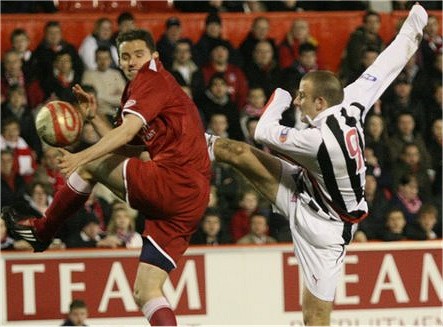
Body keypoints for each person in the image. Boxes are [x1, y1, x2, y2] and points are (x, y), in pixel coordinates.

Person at [205, 5, 428, 325]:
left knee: (315, 319)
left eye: (302, 96)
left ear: (320, 102)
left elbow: (263, 131)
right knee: (234, 152)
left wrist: (280, 97)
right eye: (296, 96)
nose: (298, 101)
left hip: (326, 230)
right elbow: (389, 62)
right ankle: (168, 143)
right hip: (305, 187)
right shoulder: (351, 100)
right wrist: (415, 21)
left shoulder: (318, 141)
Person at [3, 28, 211, 326]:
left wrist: (81, 158)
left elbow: (124, 134)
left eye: (138, 54)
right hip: (190, 199)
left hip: (175, 180)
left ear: (154, 56)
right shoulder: (143, 88)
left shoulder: (151, 79)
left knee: (92, 166)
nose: (130, 62)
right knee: (146, 290)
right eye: (124, 56)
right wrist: (93, 117)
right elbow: (130, 144)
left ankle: (43, 230)